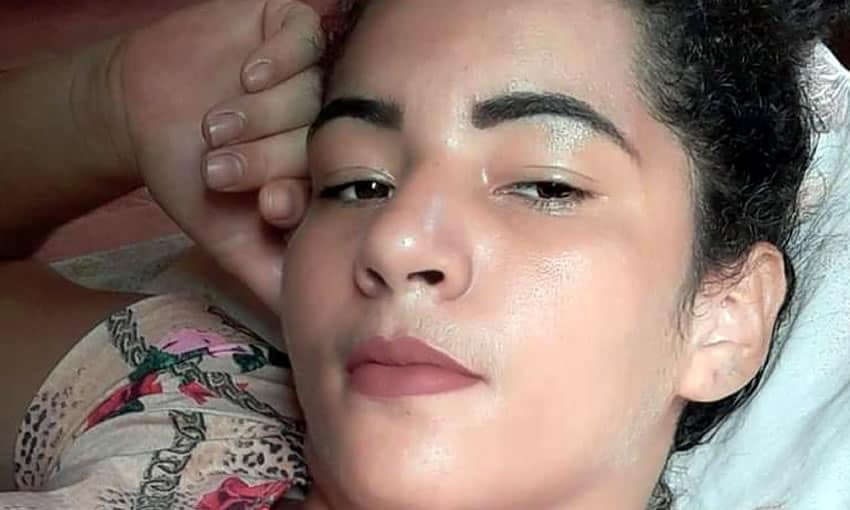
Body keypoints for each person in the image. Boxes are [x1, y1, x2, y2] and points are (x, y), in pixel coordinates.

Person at [1, 1, 848, 510]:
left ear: (726, 318)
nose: (395, 238)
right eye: (355, 182)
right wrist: (107, 99)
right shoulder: (192, 409)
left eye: (543, 184)